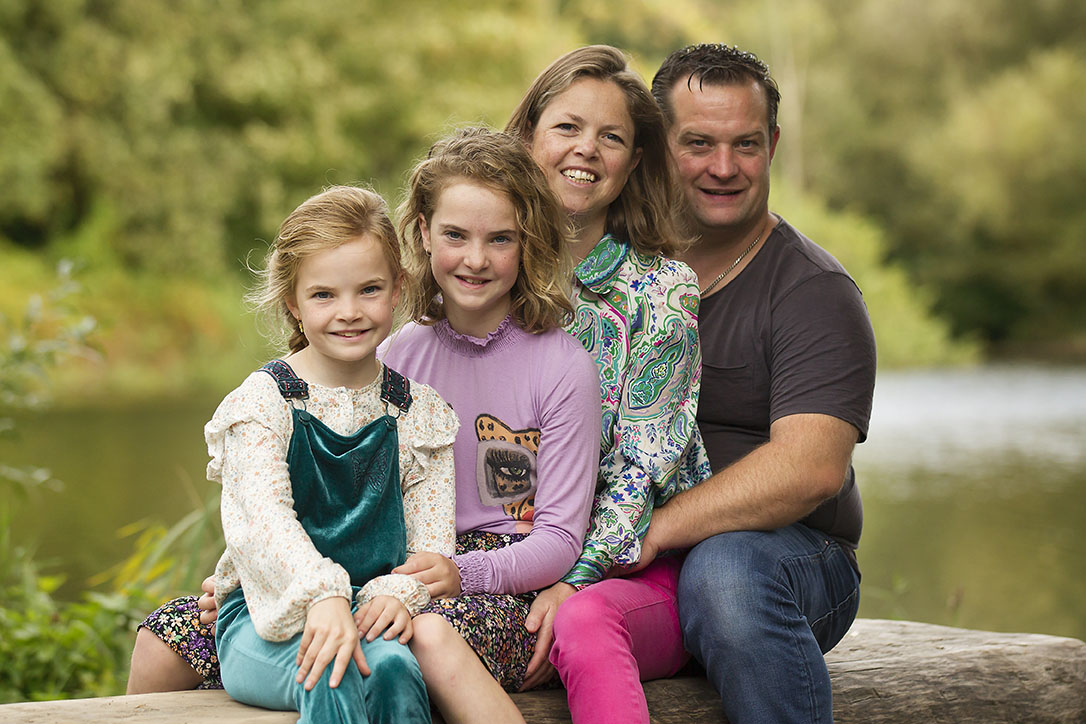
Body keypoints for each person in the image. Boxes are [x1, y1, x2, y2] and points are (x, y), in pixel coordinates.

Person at [638, 44, 878, 723]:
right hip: (635, 549)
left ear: (771, 144)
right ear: (658, 145)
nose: (724, 167)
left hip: (793, 558)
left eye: (745, 144)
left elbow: (810, 470)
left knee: (726, 574)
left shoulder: (812, 290)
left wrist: (653, 530)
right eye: (699, 143)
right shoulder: (618, 271)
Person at [193, 185, 461, 723]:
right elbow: (264, 523)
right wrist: (323, 596)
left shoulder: (418, 413)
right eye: (323, 295)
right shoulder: (262, 406)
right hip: (265, 619)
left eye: (368, 290)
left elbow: (432, 545)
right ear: (292, 301)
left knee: (391, 668)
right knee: (333, 668)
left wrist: (397, 590)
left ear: (397, 289)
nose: (349, 313)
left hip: (368, 614)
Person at [505, 45, 713, 724]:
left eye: (612, 137)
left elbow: (641, 470)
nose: (586, 150)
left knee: (582, 622)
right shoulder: (476, 275)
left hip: (630, 569)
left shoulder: (660, 292)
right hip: (498, 556)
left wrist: (572, 577)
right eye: (567, 127)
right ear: (529, 135)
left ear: (632, 163)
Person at [381, 126, 601, 723]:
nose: (475, 260)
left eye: (499, 239)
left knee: (411, 635)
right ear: (423, 232)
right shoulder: (396, 356)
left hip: (504, 590)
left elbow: (558, 542)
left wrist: (462, 574)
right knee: (173, 630)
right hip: (405, 571)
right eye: (455, 235)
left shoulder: (562, 367)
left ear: (526, 243)